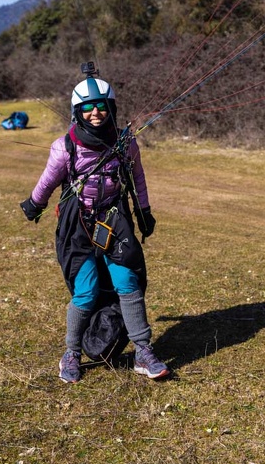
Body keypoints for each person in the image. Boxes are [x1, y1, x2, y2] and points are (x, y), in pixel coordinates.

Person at [20, 70, 169, 383]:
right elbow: (48, 180)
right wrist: (35, 203)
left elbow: (138, 177)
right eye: (88, 107)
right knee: (86, 292)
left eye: (102, 105)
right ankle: (71, 353)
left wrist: (144, 210)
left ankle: (143, 350)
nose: (95, 112)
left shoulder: (126, 141)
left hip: (116, 220)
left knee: (128, 282)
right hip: (78, 225)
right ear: (78, 111)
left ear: (111, 108)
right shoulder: (65, 147)